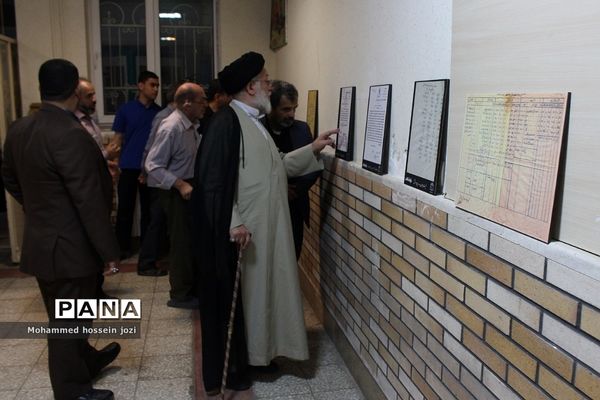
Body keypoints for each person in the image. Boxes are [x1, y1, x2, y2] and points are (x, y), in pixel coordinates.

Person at [192, 51, 336, 394]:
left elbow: (277, 165)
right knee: (250, 300)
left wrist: (313, 148)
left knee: (264, 296)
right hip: (247, 232)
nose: (271, 87)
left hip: (267, 229)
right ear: (251, 87)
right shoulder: (226, 123)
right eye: (267, 81)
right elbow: (213, 183)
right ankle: (242, 363)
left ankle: (259, 355)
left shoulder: (254, 122)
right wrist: (234, 222)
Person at [2, 59, 121, 400]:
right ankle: (72, 391)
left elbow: (9, 176)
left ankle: (86, 361)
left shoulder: (19, 128)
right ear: (74, 91)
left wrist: (39, 208)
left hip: (42, 240)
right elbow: (89, 199)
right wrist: (109, 252)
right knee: (68, 322)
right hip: (71, 246)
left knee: (68, 312)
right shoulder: (71, 134)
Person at [146, 82, 207, 308]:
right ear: (187, 103)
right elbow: (153, 165)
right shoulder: (171, 127)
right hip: (176, 191)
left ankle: (191, 288)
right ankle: (180, 295)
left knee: (191, 241)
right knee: (181, 243)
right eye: (202, 101)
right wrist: (180, 185)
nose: (205, 105)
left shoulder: (192, 125)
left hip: (190, 186)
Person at [262, 80, 321, 260]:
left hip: (294, 206)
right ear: (271, 108)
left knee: (292, 255)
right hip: (266, 208)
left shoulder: (302, 129)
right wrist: (280, 189)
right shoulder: (258, 129)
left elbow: (312, 166)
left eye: (294, 109)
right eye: (286, 109)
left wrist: (295, 190)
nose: (292, 115)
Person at [75, 78, 122, 298]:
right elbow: (83, 160)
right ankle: (90, 292)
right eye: (89, 96)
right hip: (87, 190)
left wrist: (108, 163)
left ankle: (97, 288)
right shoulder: (74, 125)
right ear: (76, 97)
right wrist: (107, 154)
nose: (94, 99)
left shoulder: (90, 120)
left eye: (94, 94)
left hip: (100, 185)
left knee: (101, 236)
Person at [136, 81, 186, 277]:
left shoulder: (175, 117)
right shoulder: (165, 118)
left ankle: (154, 259)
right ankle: (146, 263)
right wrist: (144, 171)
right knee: (156, 222)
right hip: (160, 180)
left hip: (167, 179)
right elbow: (151, 148)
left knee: (161, 222)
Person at [111, 71, 161, 260]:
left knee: (149, 211)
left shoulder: (159, 113)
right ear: (140, 86)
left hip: (150, 168)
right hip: (128, 167)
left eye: (157, 86)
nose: (155, 89)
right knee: (125, 209)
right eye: (152, 85)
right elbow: (117, 139)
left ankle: (148, 249)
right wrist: (114, 163)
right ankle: (122, 248)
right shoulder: (126, 110)